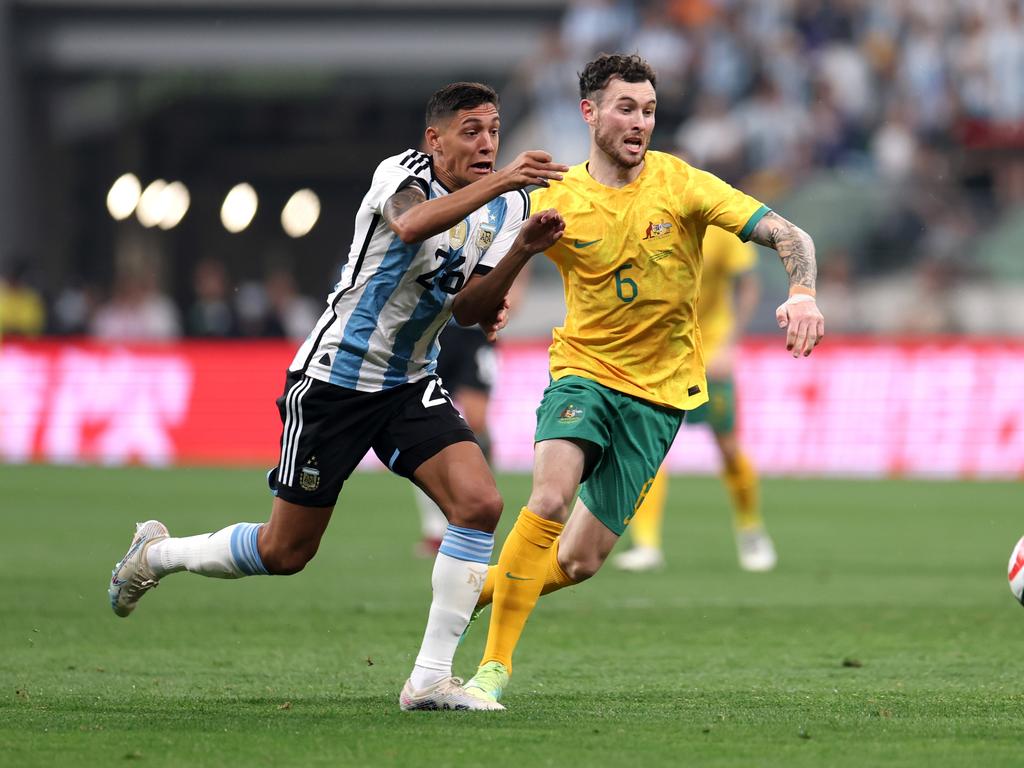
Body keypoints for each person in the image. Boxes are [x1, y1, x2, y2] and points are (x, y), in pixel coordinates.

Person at [107, 81, 568, 712]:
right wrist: (508, 178)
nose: (487, 143)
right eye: (471, 131)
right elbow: (409, 226)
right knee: (285, 550)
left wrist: (520, 252)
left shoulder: (503, 209)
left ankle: (430, 678)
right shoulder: (402, 174)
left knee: (481, 503)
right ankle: (158, 553)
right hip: (335, 382)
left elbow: (467, 311)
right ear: (434, 140)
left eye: (493, 129)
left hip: (409, 383)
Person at [461, 54, 824, 706]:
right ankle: (492, 670)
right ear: (590, 112)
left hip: (660, 396)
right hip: (583, 375)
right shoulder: (559, 196)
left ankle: (476, 589)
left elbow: (788, 233)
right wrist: (505, 288)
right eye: (626, 108)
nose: (640, 122)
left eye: (649, 110)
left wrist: (802, 290)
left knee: (578, 562)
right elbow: (500, 259)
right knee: (548, 498)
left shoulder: (682, 184)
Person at [613, 224, 776, 573]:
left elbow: (748, 283)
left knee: (728, 447)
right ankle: (646, 544)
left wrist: (730, 344)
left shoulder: (718, 224)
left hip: (709, 351)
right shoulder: (645, 221)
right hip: (660, 352)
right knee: (647, 448)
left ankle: (751, 529)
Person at [412, 319, 498, 556]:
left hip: (475, 335)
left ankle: (482, 507)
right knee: (424, 428)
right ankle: (435, 529)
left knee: (478, 422)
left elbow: (516, 296)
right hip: (435, 330)